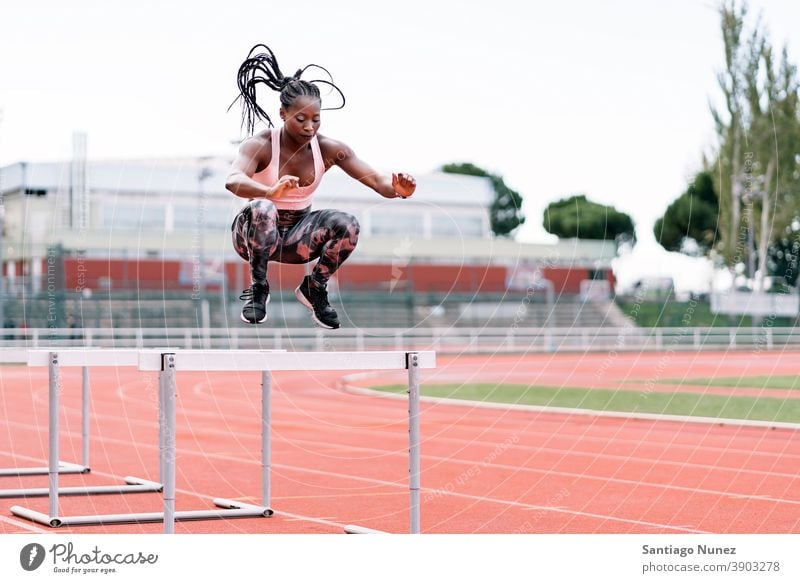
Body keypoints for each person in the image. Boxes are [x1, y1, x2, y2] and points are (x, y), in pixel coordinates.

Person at [225, 44, 416, 329]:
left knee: (347, 223)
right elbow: (233, 180)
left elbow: (377, 181)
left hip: (297, 240)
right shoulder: (262, 145)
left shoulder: (329, 149)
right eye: (300, 119)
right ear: (282, 114)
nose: (308, 127)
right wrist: (268, 192)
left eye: (316, 119)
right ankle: (259, 289)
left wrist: (398, 190)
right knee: (264, 208)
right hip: (253, 238)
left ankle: (314, 288)